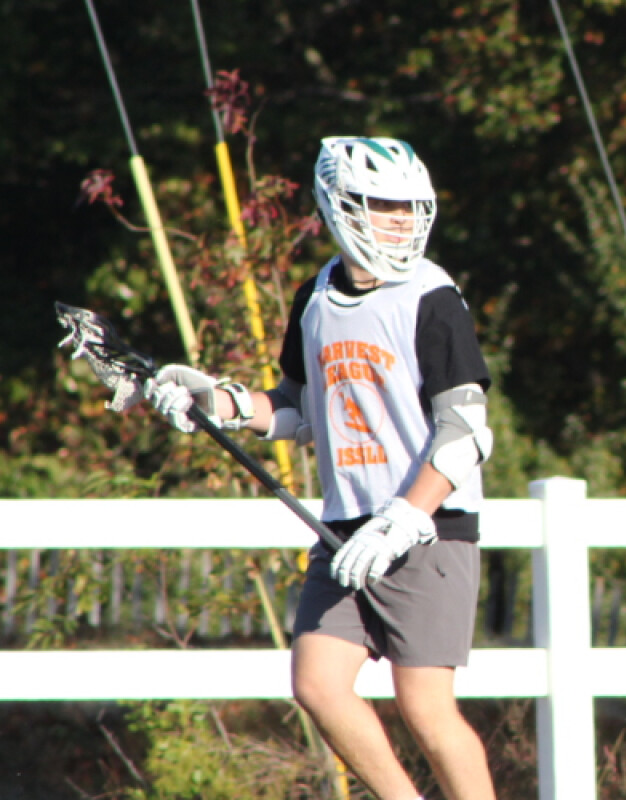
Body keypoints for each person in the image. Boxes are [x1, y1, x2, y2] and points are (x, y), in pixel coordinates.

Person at [144, 136, 496, 800]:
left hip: (426, 527)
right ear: (338, 205)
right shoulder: (316, 298)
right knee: (317, 683)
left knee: (425, 707)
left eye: (409, 208)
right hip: (345, 528)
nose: (400, 221)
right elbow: (298, 410)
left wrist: (404, 518)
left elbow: (466, 433)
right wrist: (216, 402)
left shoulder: (431, 296)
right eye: (383, 206)